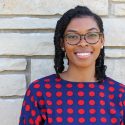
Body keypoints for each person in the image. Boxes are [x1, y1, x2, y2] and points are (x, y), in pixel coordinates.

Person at [19, 6, 125, 125]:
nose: (83, 43)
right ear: (62, 43)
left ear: (102, 41)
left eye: (91, 35)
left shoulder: (120, 94)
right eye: (72, 36)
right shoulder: (39, 91)